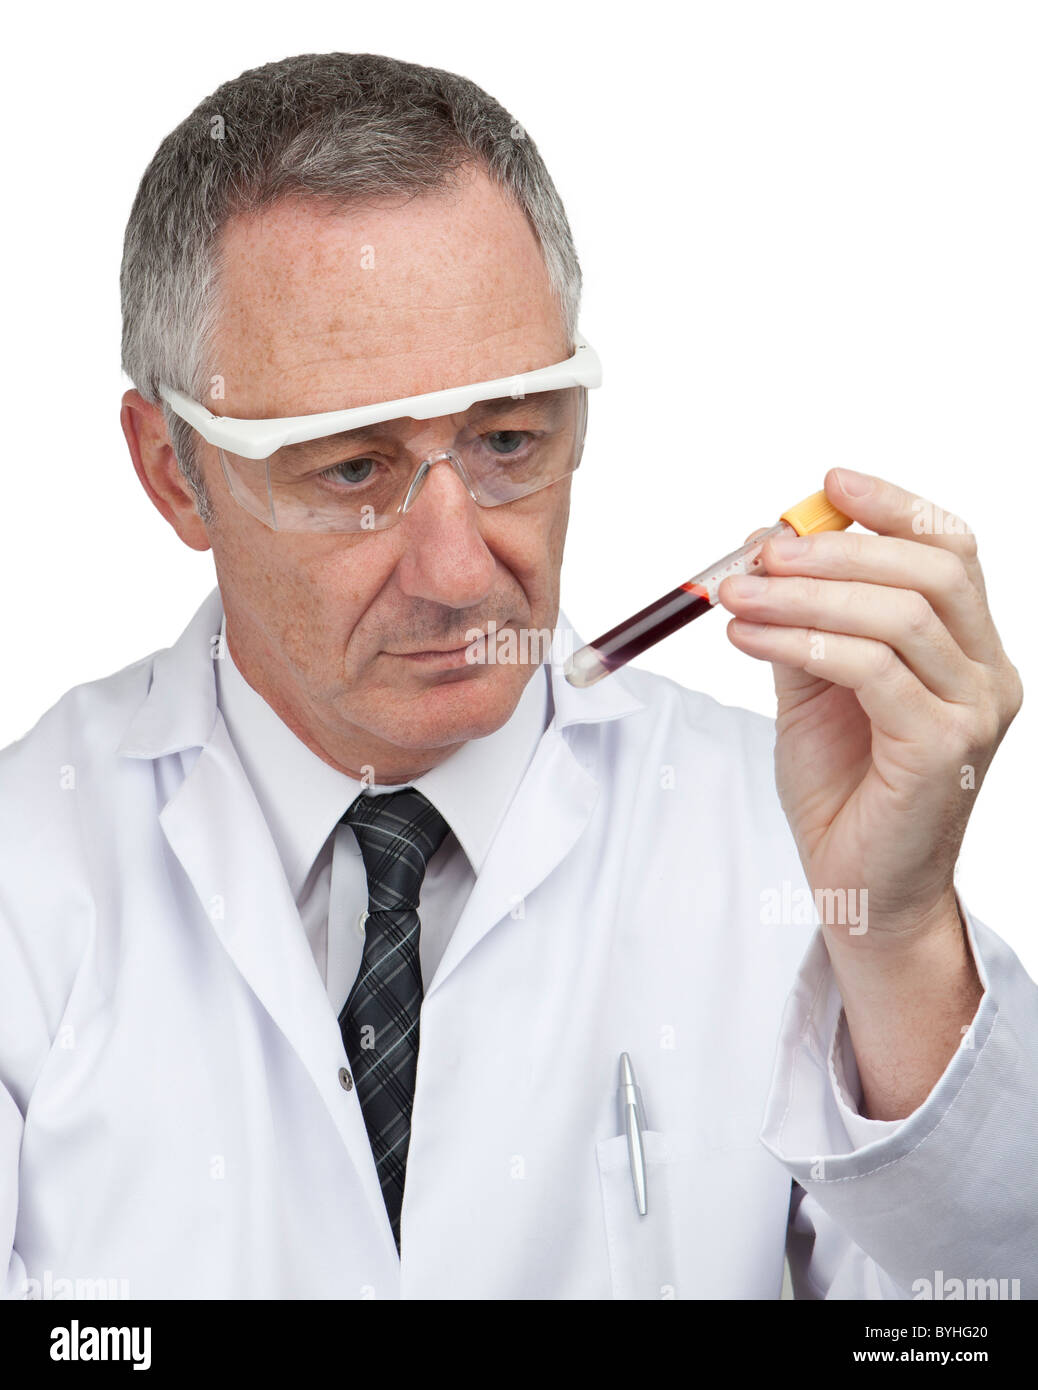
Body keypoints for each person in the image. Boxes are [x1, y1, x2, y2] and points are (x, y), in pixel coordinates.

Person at [1, 51, 1034, 1302]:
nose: (457, 569)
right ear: (175, 469)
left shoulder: (784, 840)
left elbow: (968, 1316)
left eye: (507, 441)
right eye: (351, 470)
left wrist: (906, 934)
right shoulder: (30, 876)